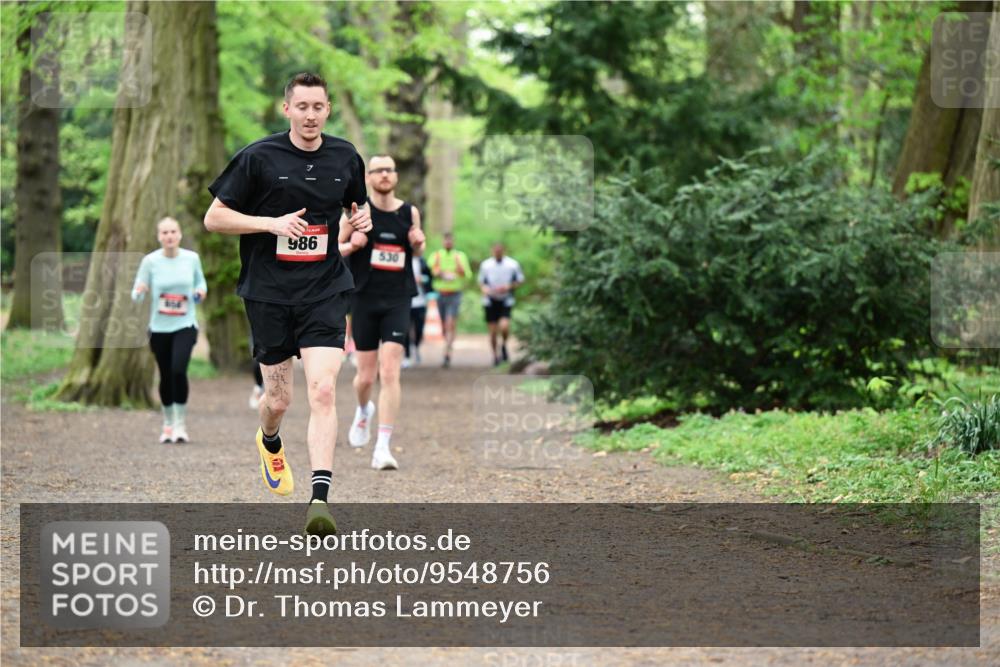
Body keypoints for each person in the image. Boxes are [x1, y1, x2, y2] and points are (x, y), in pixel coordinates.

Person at [203, 72, 372, 535]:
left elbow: (356, 208)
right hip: (269, 293)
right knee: (279, 399)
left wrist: (362, 217)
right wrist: (269, 224)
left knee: (322, 391)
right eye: (302, 107)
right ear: (287, 110)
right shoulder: (259, 157)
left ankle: (319, 500)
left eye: (318, 107)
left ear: (329, 109)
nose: (311, 115)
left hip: (325, 289)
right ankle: (270, 440)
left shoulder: (345, 156)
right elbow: (213, 218)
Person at [338, 155, 426, 470]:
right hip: (363, 299)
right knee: (364, 377)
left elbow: (416, 249)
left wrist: (418, 243)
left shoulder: (409, 212)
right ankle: (363, 411)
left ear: (396, 176)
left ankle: (383, 447)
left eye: (389, 170)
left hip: (398, 298)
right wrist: (353, 245)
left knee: (390, 373)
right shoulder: (356, 212)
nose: (385, 175)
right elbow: (335, 249)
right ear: (368, 178)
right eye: (378, 170)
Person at [131, 217, 207, 444]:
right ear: (159, 237)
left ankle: (181, 425)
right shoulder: (150, 261)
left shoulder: (191, 259)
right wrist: (140, 290)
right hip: (159, 328)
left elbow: (201, 283)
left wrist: (200, 293)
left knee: (178, 370)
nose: (169, 236)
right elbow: (136, 294)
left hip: (185, 324)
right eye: (164, 233)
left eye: (173, 231)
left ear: (180, 234)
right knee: (165, 374)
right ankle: (167, 424)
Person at [427, 232, 471, 368]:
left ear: (453, 242)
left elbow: (468, 275)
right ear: (442, 242)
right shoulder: (436, 256)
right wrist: (440, 274)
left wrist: (459, 271)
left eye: (450, 241)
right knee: (444, 324)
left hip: (455, 294)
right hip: (440, 294)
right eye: (446, 241)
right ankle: (447, 342)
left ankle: (448, 352)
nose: (448, 243)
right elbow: (428, 271)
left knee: (451, 322)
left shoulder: (460, 256)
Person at [478, 242, 525, 366]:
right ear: (492, 251)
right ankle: (495, 356)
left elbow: (520, 280)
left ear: (503, 251)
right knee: (492, 331)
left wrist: (508, 287)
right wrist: (486, 290)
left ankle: (503, 344)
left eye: (500, 251)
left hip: (506, 299)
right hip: (490, 300)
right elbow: (481, 283)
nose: (497, 253)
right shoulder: (486, 265)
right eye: (495, 251)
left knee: (504, 326)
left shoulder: (512, 265)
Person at [405, 255, 433, 367]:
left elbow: (430, 277)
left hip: (421, 301)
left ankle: (415, 346)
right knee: (405, 329)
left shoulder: (422, 261)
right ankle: (406, 355)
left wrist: (423, 280)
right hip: (406, 301)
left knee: (419, 328)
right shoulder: (404, 259)